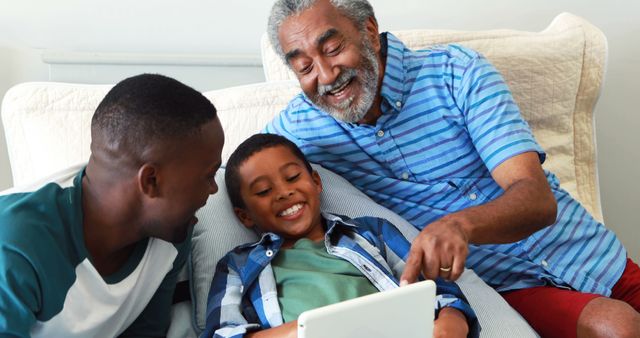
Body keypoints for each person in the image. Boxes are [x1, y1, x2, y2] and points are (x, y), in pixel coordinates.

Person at [263, 0, 640, 337]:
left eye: (333, 49)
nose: (326, 76)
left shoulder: (457, 72)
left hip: (595, 257)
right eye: (304, 66)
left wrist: (459, 225)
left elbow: (537, 199)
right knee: (616, 326)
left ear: (370, 32)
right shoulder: (299, 133)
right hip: (512, 289)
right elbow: (234, 172)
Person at [0, 74, 225, 337]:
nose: (214, 188)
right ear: (151, 181)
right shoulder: (16, 242)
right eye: (209, 175)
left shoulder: (170, 235)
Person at [202, 133, 479, 338]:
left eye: (293, 177)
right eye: (263, 191)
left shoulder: (372, 232)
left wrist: (451, 321)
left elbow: (438, 290)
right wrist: (306, 331)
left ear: (316, 182)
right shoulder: (237, 265)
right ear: (245, 216)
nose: (284, 192)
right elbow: (223, 334)